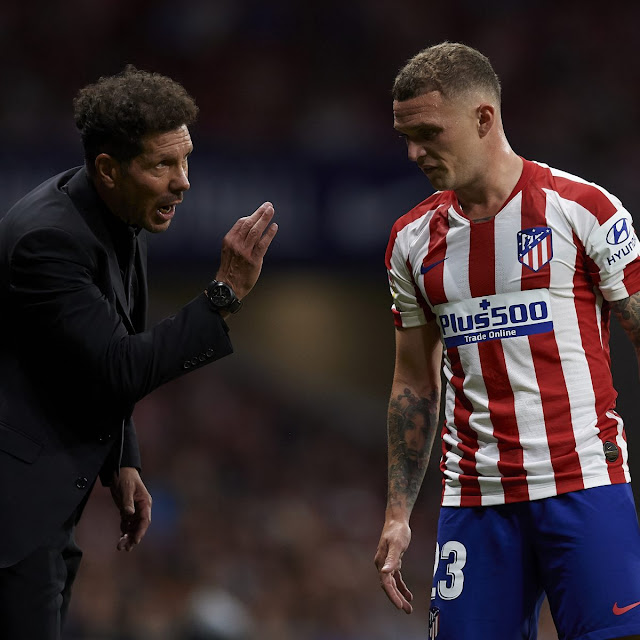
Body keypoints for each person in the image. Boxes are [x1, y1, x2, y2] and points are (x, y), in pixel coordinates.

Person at [0, 65, 278, 640]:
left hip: (43, 507)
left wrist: (123, 456)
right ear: (108, 168)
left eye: (186, 159)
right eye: (163, 164)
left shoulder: (119, 213)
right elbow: (118, 364)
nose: (184, 181)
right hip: (12, 517)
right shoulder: (48, 242)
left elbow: (105, 346)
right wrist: (222, 295)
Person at [374, 42, 640, 640]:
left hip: (584, 487)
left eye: (428, 132)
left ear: (484, 118)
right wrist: (397, 513)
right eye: (405, 136)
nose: (415, 151)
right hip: (474, 502)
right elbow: (414, 381)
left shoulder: (584, 210)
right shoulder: (411, 242)